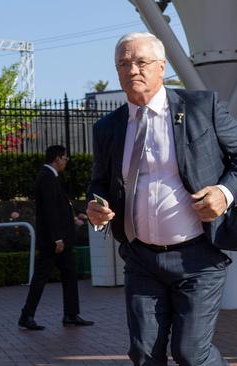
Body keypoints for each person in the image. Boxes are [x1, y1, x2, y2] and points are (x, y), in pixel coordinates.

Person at [87, 32, 237, 365]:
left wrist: (224, 193)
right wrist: (96, 204)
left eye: (141, 62)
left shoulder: (202, 107)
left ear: (161, 67)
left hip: (197, 258)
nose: (133, 70)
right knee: (143, 354)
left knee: (190, 353)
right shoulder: (108, 128)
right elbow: (99, 181)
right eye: (124, 63)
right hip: (141, 260)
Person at [18, 145, 94, 330]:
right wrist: (57, 238)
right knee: (41, 276)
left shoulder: (51, 177)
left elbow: (59, 206)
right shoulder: (47, 178)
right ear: (57, 158)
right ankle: (27, 315)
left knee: (69, 274)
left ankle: (71, 314)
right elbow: (49, 211)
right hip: (54, 241)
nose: (66, 161)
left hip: (61, 239)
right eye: (65, 158)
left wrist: (75, 215)